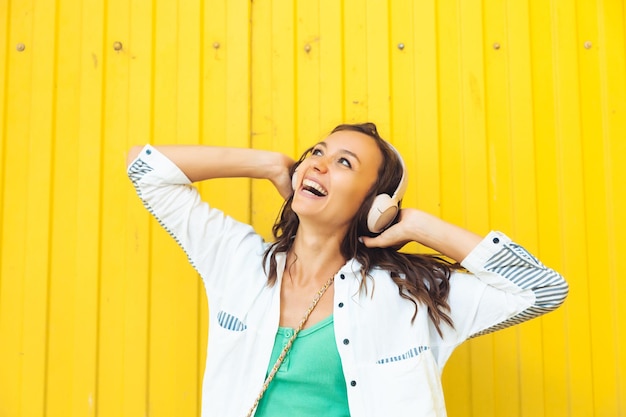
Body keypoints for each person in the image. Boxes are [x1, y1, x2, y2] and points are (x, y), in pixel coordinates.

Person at [126, 122, 568, 417]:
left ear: (375, 203)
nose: (318, 163)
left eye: (344, 163)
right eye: (316, 152)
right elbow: (144, 168)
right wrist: (267, 164)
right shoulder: (238, 263)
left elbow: (541, 290)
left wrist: (417, 225)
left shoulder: (408, 295)